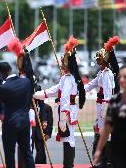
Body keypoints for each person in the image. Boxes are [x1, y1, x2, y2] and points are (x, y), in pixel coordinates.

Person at [34, 36, 86, 168]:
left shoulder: (69, 79)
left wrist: (63, 118)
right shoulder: (66, 78)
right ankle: (67, 165)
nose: (62, 64)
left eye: (63, 62)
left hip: (67, 113)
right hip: (67, 112)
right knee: (67, 138)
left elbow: (65, 100)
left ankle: (68, 165)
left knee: (69, 138)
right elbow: (52, 90)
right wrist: (36, 94)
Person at [0, 38, 35, 168]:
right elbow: (29, 76)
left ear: (1, 73)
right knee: (27, 153)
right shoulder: (26, 82)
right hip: (24, 122)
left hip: (10, 123)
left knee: (10, 155)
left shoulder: (3, 87)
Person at [84, 36, 120, 167]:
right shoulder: (101, 73)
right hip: (100, 106)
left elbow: (109, 94)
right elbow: (92, 84)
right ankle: (102, 160)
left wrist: (106, 110)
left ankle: (107, 161)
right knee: (100, 132)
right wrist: (79, 90)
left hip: (105, 106)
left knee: (107, 134)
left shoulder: (108, 74)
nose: (98, 61)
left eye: (99, 59)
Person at [93, 64, 126, 168]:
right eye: (120, 77)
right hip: (118, 149)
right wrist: (98, 150)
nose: (122, 80)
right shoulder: (115, 100)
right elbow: (107, 128)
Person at [32, 85, 53, 164]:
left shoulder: (47, 108)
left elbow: (50, 122)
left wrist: (48, 133)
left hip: (40, 132)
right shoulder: (28, 106)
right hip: (30, 131)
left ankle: (41, 164)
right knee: (28, 149)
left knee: (40, 150)